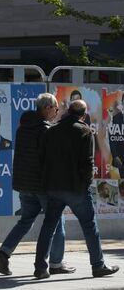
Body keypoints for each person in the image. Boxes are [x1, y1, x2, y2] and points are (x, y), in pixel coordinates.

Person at [34, 100, 119, 279]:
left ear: (68, 112)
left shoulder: (52, 130)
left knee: (48, 226)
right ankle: (98, 265)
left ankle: (40, 268)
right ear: (83, 115)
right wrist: (85, 185)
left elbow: (42, 159)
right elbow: (88, 163)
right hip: (76, 189)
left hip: (54, 187)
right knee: (89, 226)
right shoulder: (85, 131)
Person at [0, 93, 75, 276]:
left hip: (24, 183)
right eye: (55, 108)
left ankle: (4, 252)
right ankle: (55, 263)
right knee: (56, 221)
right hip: (41, 185)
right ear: (47, 108)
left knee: (26, 220)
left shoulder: (23, 127)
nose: (56, 111)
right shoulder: (46, 129)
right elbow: (51, 159)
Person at [109, 93, 124, 177]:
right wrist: (115, 156)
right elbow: (112, 138)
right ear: (122, 102)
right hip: (121, 156)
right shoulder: (116, 117)